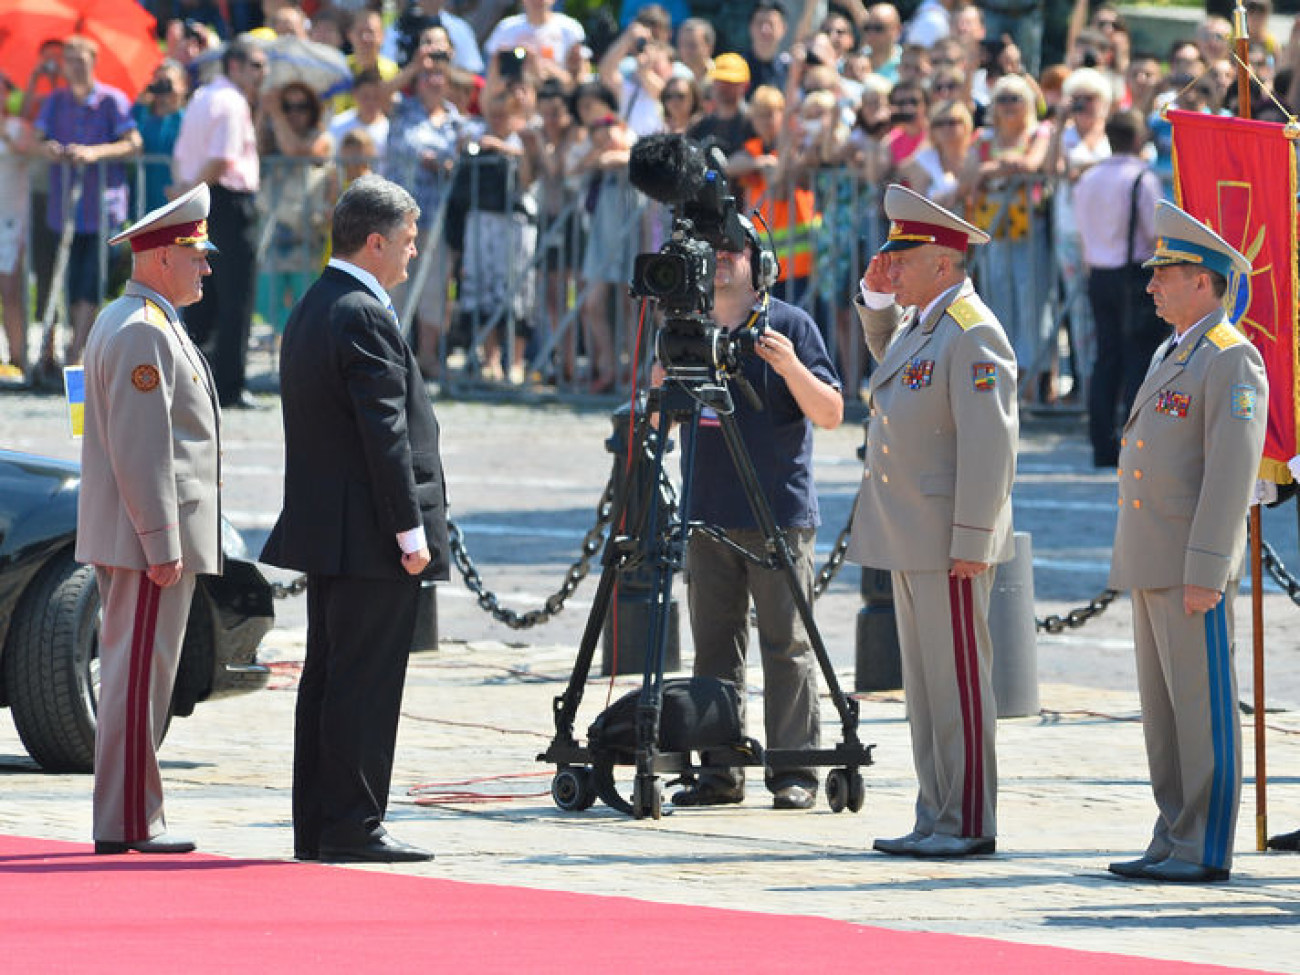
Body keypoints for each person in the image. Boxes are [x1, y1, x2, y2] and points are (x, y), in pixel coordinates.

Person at [261, 174, 449, 864]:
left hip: (332, 528)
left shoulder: (316, 303)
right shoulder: (364, 312)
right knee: (364, 684)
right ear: (374, 242)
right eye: (404, 241)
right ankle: (353, 823)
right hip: (370, 532)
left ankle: (321, 821)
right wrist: (410, 531)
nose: (410, 254)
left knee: (330, 679)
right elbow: (384, 432)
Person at [849, 184, 1018, 858]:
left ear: (942, 262)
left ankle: (967, 817)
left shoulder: (973, 331)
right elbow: (893, 364)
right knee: (924, 684)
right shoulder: (926, 323)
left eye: (904, 257)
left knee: (960, 686)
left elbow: (989, 445)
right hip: (913, 532)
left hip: (949, 534)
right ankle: (935, 811)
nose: (892, 266)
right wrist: (879, 301)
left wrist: (974, 538)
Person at [1106, 203, 1268, 885]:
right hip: (1152, 555)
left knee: (1202, 709)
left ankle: (1204, 842)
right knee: (1165, 715)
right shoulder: (1174, 349)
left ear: (1202, 282)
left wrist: (1208, 567)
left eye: (1164, 275)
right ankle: (1172, 829)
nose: (1151, 287)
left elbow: (1230, 476)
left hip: (1188, 563)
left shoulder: (1232, 358)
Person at [667, 216, 843, 812]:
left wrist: (791, 365)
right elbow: (662, 417)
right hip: (708, 510)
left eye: (731, 251)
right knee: (714, 648)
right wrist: (664, 378)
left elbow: (831, 412)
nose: (719, 260)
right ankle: (720, 770)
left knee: (786, 645)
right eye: (709, 252)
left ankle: (794, 772)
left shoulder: (790, 324)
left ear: (755, 261)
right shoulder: (686, 326)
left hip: (778, 511)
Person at [77, 183, 220, 855]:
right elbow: (141, 449)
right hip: (145, 541)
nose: (206, 267)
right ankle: (131, 820)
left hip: (137, 534)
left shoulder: (136, 319)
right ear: (163, 256)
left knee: (139, 679)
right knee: (137, 683)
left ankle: (132, 814)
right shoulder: (141, 328)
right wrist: (162, 541)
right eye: (196, 254)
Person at [35, 35, 141, 365]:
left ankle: (75, 354)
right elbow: (38, 139)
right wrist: (50, 149)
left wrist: (95, 153)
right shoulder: (55, 101)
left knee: (89, 284)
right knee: (62, 281)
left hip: (101, 208)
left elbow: (133, 142)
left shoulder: (112, 100)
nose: (76, 68)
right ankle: (58, 351)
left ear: (93, 63)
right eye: (71, 61)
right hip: (64, 208)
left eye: (82, 61)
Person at [171, 38, 264, 409]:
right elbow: (222, 160)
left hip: (201, 202)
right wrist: (194, 191)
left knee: (201, 296)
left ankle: (193, 380)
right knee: (235, 297)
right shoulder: (232, 101)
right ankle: (229, 386)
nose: (263, 72)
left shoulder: (202, 96)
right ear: (236, 66)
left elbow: (182, 156)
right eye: (256, 64)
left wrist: (184, 194)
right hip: (225, 199)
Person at [1072, 108, 1165, 468]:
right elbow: (1154, 232)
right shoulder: (1141, 178)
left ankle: (1101, 443)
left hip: (1099, 273)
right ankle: (1135, 442)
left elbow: (1083, 231)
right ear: (1138, 139)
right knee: (1139, 357)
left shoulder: (1088, 178)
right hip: (1134, 273)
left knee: (1106, 356)